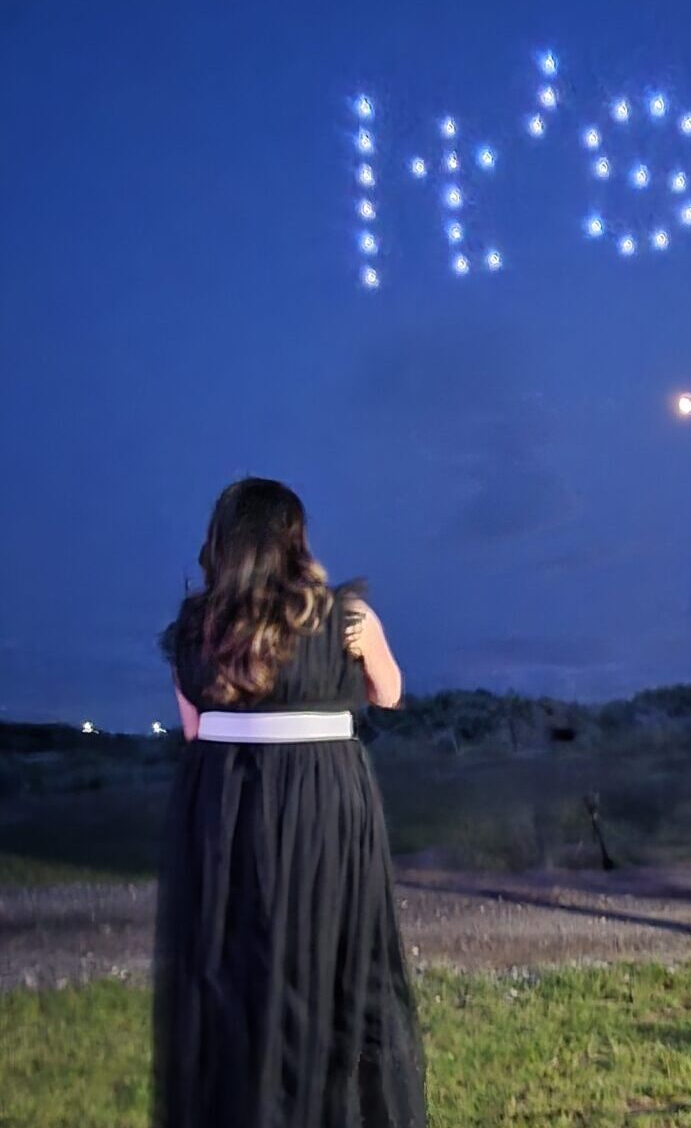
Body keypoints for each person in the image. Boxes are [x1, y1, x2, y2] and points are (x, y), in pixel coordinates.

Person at [153, 478, 427, 1128]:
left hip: (228, 804)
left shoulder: (196, 628)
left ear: (222, 543)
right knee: (332, 955)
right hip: (324, 802)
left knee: (235, 963)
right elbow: (389, 692)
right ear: (293, 539)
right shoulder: (348, 616)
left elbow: (194, 730)